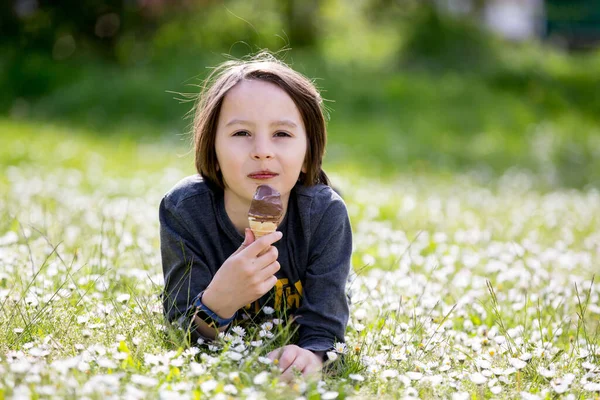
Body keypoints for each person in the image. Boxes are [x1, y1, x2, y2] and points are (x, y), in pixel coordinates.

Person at [159, 52, 352, 380]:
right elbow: (180, 333)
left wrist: (311, 358)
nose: (262, 150)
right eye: (241, 133)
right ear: (213, 151)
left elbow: (327, 335)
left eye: (282, 134)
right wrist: (218, 302)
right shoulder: (186, 211)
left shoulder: (324, 215)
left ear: (308, 155)